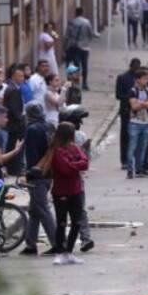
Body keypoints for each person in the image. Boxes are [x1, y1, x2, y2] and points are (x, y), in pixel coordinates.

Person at [49, 121, 90, 265]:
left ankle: (69, 251)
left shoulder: (74, 148)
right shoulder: (56, 150)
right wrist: (76, 165)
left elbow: (85, 162)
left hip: (75, 189)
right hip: (61, 191)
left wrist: (73, 164)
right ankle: (59, 252)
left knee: (76, 222)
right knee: (61, 222)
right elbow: (64, 169)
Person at [22, 101, 59, 256]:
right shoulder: (48, 126)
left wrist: (28, 173)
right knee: (34, 209)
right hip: (48, 172)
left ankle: (57, 242)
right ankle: (31, 243)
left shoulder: (31, 130)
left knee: (42, 209)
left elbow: (31, 155)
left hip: (37, 173)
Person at [58, 104, 95, 253]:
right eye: (78, 121)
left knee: (65, 213)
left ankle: (68, 242)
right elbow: (86, 159)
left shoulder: (61, 137)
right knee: (78, 211)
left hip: (65, 181)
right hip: (72, 180)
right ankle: (84, 238)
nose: (80, 124)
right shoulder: (78, 138)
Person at [126, 69, 148, 179]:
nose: (146, 81)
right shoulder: (133, 91)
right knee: (132, 147)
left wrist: (141, 103)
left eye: (147, 79)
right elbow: (134, 107)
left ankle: (139, 169)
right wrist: (145, 104)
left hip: (145, 122)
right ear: (138, 80)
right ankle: (130, 169)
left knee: (142, 148)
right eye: (144, 79)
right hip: (134, 123)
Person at [115, 57, 143, 169]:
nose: (136, 70)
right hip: (126, 110)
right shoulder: (122, 78)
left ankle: (135, 159)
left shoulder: (140, 79)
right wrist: (130, 98)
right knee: (125, 136)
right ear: (131, 66)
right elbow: (118, 95)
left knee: (137, 135)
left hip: (138, 111)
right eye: (135, 67)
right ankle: (124, 160)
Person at [2, 65, 27, 175]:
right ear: (14, 77)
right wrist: (21, 118)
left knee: (12, 145)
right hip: (15, 125)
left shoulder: (13, 88)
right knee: (15, 146)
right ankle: (15, 169)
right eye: (20, 76)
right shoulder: (13, 90)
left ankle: (13, 168)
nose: (22, 78)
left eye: (23, 76)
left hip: (13, 124)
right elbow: (14, 109)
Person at [64, 7, 95, 90]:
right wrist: (86, 41)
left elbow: (67, 35)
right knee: (85, 65)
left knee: (75, 65)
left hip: (74, 47)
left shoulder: (71, 22)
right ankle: (84, 83)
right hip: (84, 47)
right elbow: (90, 34)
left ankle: (75, 82)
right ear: (82, 12)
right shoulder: (87, 22)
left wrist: (65, 46)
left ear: (75, 13)